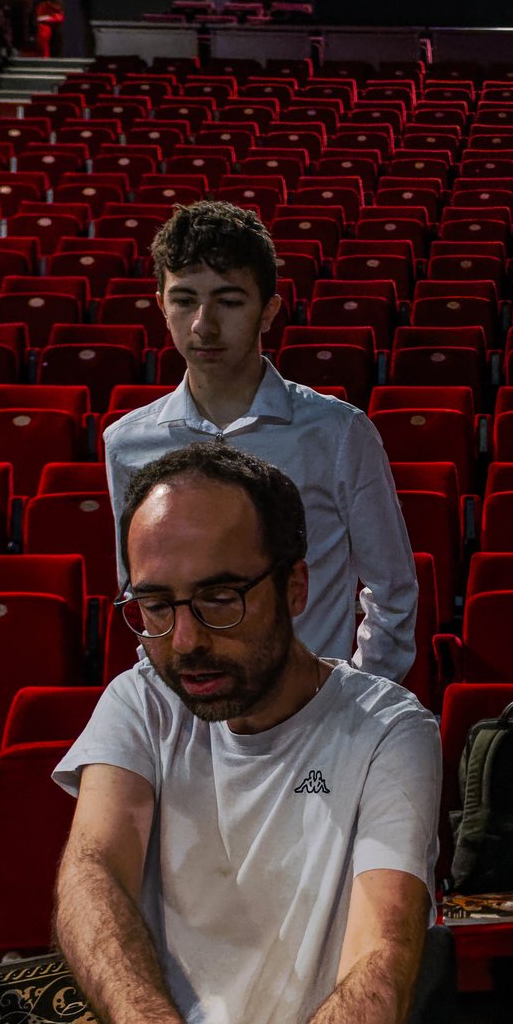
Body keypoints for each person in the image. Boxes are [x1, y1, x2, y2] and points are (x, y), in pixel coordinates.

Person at [53, 440, 441, 1024]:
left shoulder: (387, 733)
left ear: (294, 589)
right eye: (154, 605)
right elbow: (91, 869)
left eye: (220, 598)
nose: (185, 639)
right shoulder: (142, 700)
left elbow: (380, 964)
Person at [103, 199, 420, 682]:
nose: (203, 325)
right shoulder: (126, 443)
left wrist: (354, 692)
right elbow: (145, 595)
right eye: (184, 300)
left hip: (309, 709)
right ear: (161, 304)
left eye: (229, 302)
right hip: (186, 709)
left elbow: (392, 588)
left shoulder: (338, 432)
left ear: (268, 310)